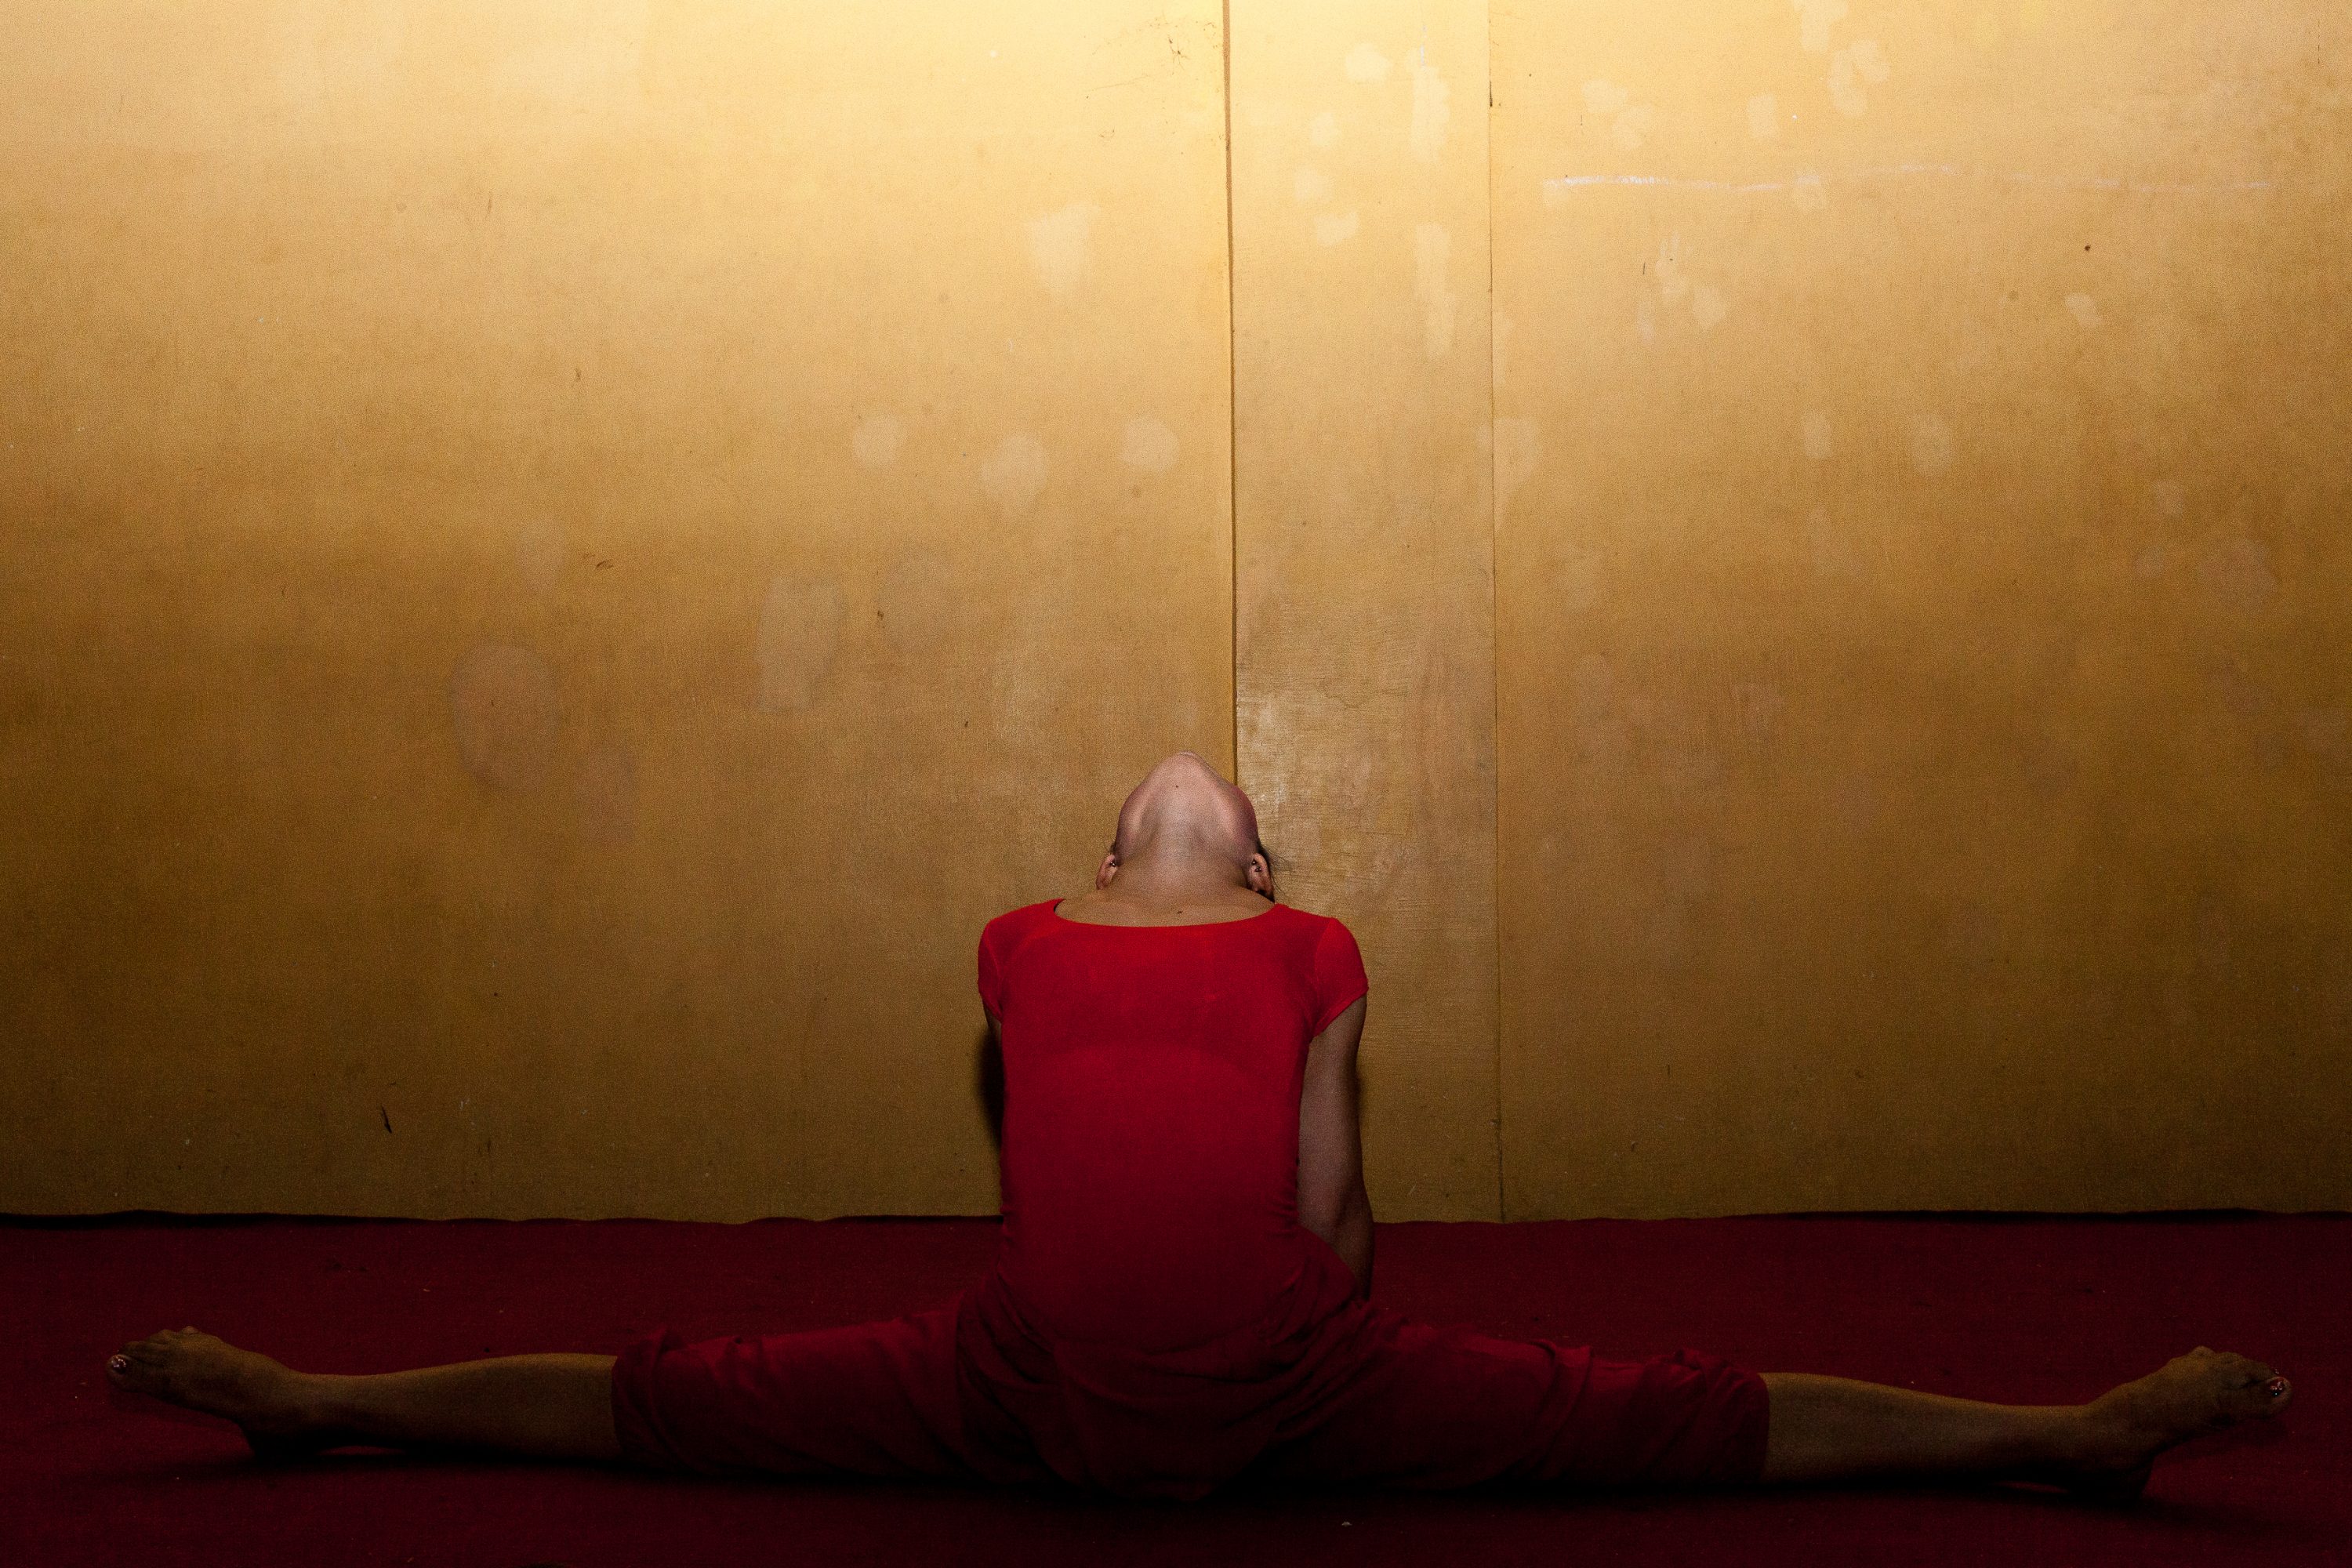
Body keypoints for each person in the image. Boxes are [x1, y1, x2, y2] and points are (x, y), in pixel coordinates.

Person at [107, 752, 2291, 1500]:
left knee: (1670, 1417)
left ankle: (2053, 1433)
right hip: (1049, 1375)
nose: (1191, 796)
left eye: (1226, 813)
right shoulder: (1032, 936)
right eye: (1173, 810)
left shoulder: (1298, 937)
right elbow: (1186, 1193)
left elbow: (1319, 1215)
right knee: (670, 1399)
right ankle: (327, 1403)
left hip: (1230, 1377)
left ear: (1247, 864)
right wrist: (1304, 1343)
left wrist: (1321, 1367)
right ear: (1124, 864)